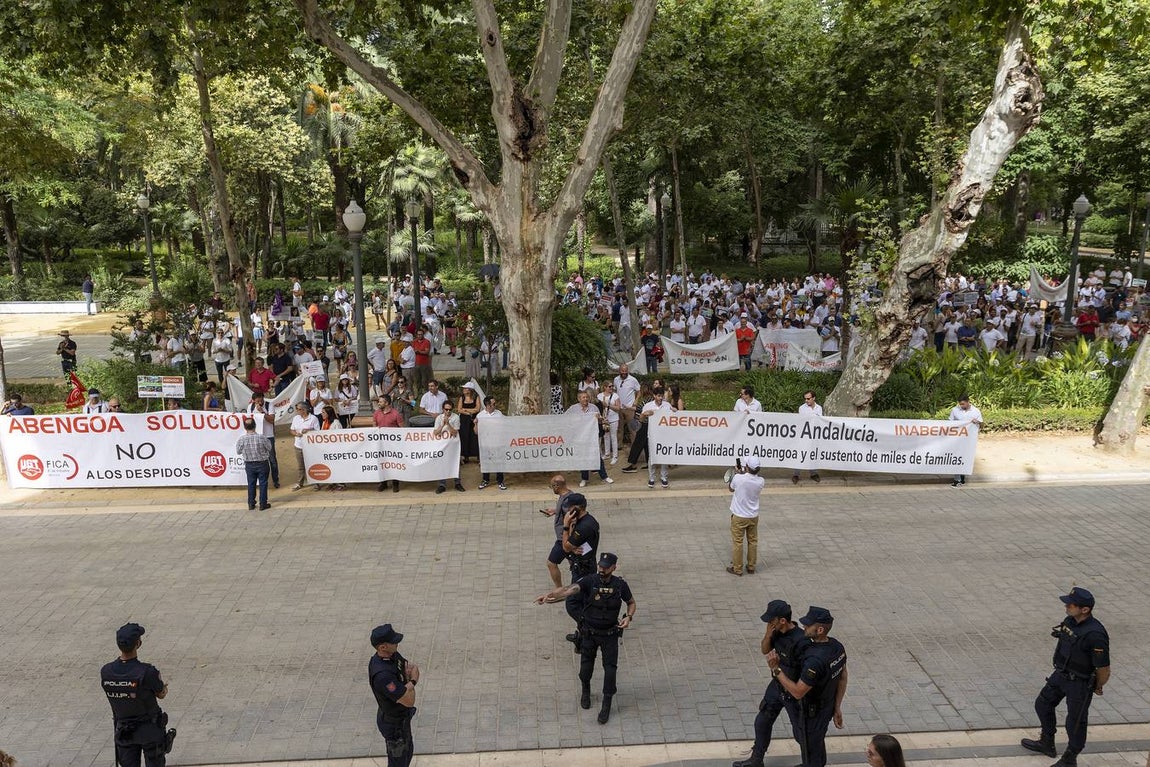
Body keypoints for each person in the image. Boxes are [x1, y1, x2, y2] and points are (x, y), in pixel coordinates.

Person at [535, 552, 636, 725]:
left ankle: (606, 703)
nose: (602, 569)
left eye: (606, 566)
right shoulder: (590, 580)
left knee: (610, 671)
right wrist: (549, 597)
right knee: (585, 669)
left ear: (614, 567)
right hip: (590, 633)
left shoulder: (620, 585)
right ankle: (586, 689)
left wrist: (629, 617)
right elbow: (568, 590)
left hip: (610, 635)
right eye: (600, 566)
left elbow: (631, 603)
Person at [1020, 587, 1110, 767]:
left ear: (1085, 610)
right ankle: (1047, 742)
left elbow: (1104, 668)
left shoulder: (1095, 634)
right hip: (1061, 675)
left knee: (1075, 722)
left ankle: (1070, 759)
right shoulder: (1070, 621)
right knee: (1042, 704)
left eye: (1071, 604)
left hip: (1080, 683)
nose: (1066, 606)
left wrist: (1098, 685)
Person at [769, 606, 847, 767]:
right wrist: (837, 707)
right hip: (827, 708)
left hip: (812, 714)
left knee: (810, 748)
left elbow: (798, 692)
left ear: (819, 630)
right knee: (817, 744)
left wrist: (776, 669)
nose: (804, 626)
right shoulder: (837, 647)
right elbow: (842, 677)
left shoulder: (814, 660)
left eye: (808, 625)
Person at [732, 599, 807, 767]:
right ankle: (756, 759)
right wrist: (767, 635)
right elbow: (765, 650)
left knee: (800, 731)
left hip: (793, 690)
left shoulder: (801, 640)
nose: (768, 623)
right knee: (763, 720)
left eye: (771, 620)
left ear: (782, 620)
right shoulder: (775, 632)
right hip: (777, 685)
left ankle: (811, 762)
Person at [100, 623, 176, 767]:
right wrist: (164, 688)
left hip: (124, 731)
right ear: (138, 644)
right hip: (150, 731)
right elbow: (161, 694)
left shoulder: (106, 671)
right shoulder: (147, 672)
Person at [368, 623, 420, 767]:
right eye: (393, 641)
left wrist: (406, 684)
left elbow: (406, 667)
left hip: (401, 720)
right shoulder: (383, 675)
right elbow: (409, 701)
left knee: (407, 754)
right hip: (394, 724)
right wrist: (413, 681)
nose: (397, 643)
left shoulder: (392, 655)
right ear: (382, 647)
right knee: (398, 763)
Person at [565, 390, 615, 487]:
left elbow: (601, 421)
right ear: (579, 399)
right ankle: (584, 478)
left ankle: (604, 476)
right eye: (583, 397)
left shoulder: (594, 407)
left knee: (597, 456)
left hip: (591, 436)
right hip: (579, 436)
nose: (586, 399)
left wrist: (598, 418)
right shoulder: (573, 408)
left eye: (587, 397)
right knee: (583, 457)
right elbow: (565, 418)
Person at [727, 456, 765, 576]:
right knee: (752, 541)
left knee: (738, 542)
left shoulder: (739, 478)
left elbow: (730, 489)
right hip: (753, 516)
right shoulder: (761, 481)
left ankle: (737, 569)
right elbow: (749, 479)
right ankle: (751, 567)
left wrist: (737, 473)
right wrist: (742, 473)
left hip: (739, 516)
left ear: (747, 467)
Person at [236, 417, 273, 510]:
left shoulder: (242, 439)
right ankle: (263, 503)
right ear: (255, 426)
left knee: (251, 483)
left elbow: (238, 451)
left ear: (245, 427)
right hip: (262, 463)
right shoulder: (261, 437)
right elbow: (269, 447)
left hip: (249, 464)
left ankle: (251, 503)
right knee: (263, 483)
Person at [245, 391, 279, 489]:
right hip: (256, 436)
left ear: (263, 398)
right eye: (256, 401)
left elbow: (271, 419)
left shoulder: (269, 405)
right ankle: (261, 480)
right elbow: (248, 421)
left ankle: (275, 480)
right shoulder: (250, 407)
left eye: (260, 400)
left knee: (272, 459)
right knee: (258, 458)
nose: (258, 403)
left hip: (268, 436)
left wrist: (262, 412)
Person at [640, 386, 672, 489]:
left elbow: (674, 417)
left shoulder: (667, 405)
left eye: (662, 396)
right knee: (652, 457)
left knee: (664, 455)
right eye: (658, 396)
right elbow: (640, 419)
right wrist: (645, 414)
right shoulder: (648, 405)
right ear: (654, 396)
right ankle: (652, 477)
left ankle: (664, 477)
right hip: (653, 435)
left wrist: (675, 411)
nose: (660, 398)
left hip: (666, 435)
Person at [948, 394, 983, 487]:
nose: (961, 406)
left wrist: (977, 422)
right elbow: (949, 424)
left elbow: (982, 425)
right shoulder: (955, 410)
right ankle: (957, 479)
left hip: (969, 440)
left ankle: (962, 476)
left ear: (968, 402)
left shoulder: (976, 411)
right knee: (957, 457)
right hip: (957, 439)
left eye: (963, 404)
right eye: (960, 404)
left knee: (965, 457)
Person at [475, 395, 506, 490]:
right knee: (486, 461)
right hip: (485, 443)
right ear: (488, 405)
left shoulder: (499, 414)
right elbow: (476, 432)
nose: (495, 405)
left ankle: (500, 481)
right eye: (493, 403)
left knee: (499, 462)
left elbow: (505, 426)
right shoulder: (480, 415)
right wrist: (475, 423)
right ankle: (485, 480)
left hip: (497, 442)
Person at [433, 401, 465, 493]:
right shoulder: (439, 418)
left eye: (450, 409)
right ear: (443, 409)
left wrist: (448, 424)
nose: (448, 411)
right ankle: (442, 485)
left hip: (453, 443)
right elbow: (435, 432)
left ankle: (457, 483)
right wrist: (443, 424)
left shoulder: (456, 417)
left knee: (455, 462)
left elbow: (455, 432)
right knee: (442, 463)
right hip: (442, 444)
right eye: (446, 409)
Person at [793, 391, 822, 484]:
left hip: (814, 435)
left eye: (808, 398)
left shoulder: (819, 408)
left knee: (813, 454)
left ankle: (814, 473)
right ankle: (796, 474)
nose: (806, 400)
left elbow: (820, 421)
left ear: (814, 398)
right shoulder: (802, 408)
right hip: (804, 435)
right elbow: (803, 420)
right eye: (805, 398)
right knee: (800, 454)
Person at [290, 402, 319, 491]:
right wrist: (296, 433)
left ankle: (315, 482)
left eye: (298, 409)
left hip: (310, 446)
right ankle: (300, 483)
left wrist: (309, 430)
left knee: (312, 464)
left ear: (304, 410)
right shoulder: (296, 418)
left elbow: (318, 431)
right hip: (298, 445)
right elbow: (291, 430)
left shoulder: (313, 418)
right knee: (301, 466)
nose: (297, 411)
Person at [457, 381, 482, 464]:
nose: (464, 390)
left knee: (474, 436)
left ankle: (477, 455)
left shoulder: (476, 397)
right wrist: (470, 411)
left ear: (470, 390)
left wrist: (466, 410)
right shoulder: (462, 397)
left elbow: (477, 409)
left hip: (473, 420)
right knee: (464, 436)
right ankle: (465, 455)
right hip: (464, 420)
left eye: (465, 388)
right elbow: (459, 409)